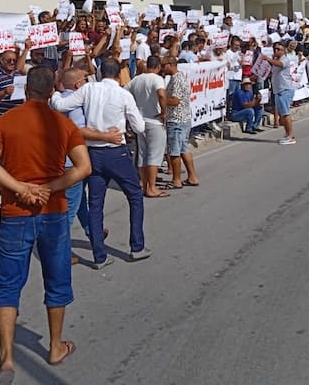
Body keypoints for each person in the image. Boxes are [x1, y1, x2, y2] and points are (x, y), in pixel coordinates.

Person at [0, 66, 92, 385]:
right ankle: (56, 346)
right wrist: (51, 187)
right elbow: (84, 167)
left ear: (25, 89)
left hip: (16, 212)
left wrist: (20, 188)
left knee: (7, 287)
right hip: (54, 210)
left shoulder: (5, 122)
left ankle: (6, 359)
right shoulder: (64, 123)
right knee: (57, 280)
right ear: (52, 91)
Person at [50, 58, 150, 269]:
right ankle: (137, 246)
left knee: (95, 205)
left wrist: (56, 89)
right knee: (134, 196)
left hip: (94, 153)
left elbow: (58, 104)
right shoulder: (123, 94)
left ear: (101, 72)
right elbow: (140, 127)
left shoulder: (89, 90)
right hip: (117, 152)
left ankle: (99, 256)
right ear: (117, 73)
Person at [125, 56, 168, 198]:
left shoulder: (136, 79)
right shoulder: (157, 79)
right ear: (158, 66)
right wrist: (163, 112)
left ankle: (144, 185)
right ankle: (152, 187)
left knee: (143, 155)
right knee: (154, 156)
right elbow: (161, 95)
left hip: (140, 121)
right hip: (154, 121)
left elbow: (125, 92)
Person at [161, 56, 201, 186]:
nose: (162, 68)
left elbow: (175, 101)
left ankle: (176, 180)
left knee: (174, 151)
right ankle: (192, 177)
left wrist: (161, 100)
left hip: (176, 119)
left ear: (170, 64)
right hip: (184, 119)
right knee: (184, 149)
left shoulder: (177, 80)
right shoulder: (177, 78)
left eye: (164, 65)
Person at [263, 43, 296, 144]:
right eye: (275, 49)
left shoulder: (284, 59)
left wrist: (268, 59)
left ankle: (290, 136)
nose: (276, 51)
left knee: (286, 114)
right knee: (282, 114)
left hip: (284, 90)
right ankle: (287, 134)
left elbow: (280, 65)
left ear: (283, 50)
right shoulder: (275, 61)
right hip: (278, 90)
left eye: (279, 49)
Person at [0, 50, 24, 122]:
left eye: (14, 60)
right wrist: (4, 92)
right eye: (9, 60)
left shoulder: (20, 75)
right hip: (2, 117)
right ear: (2, 60)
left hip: (19, 116)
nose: (12, 62)